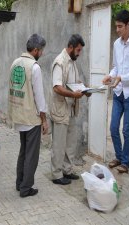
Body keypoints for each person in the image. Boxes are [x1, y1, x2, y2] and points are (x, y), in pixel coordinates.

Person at [102, 10, 129, 173]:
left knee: (126, 129)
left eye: (120, 26)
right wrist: (110, 76)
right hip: (118, 92)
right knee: (113, 128)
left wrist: (121, 78)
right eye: (116, 26)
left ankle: (126, 162)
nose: (117, 30)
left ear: (128, 25)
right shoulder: (116, 44)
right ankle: (119, 157)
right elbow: (115, 67)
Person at [8, 33, 49, 198]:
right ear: (36, 50)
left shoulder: (15, 63)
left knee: (23, 151)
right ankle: (26, 188)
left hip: (18, 115)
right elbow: (40, 97)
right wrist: (44, 120)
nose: (43, 53)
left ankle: (19, 183)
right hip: (31, 118)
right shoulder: (34, 67)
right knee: (31, 155)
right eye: (42, 50)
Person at [49, 34, 89, 185]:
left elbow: (74, 82)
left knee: (70, 143)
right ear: (71, 47)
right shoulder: (60, 62)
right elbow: (57, 87)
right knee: (59, 144)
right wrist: (74, 94)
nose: (79, 53)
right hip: (60, 109)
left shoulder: (72, 62)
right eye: (78, 50)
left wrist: (85, 90)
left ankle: (67, 170)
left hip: (71, 108)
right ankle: (57, 174)